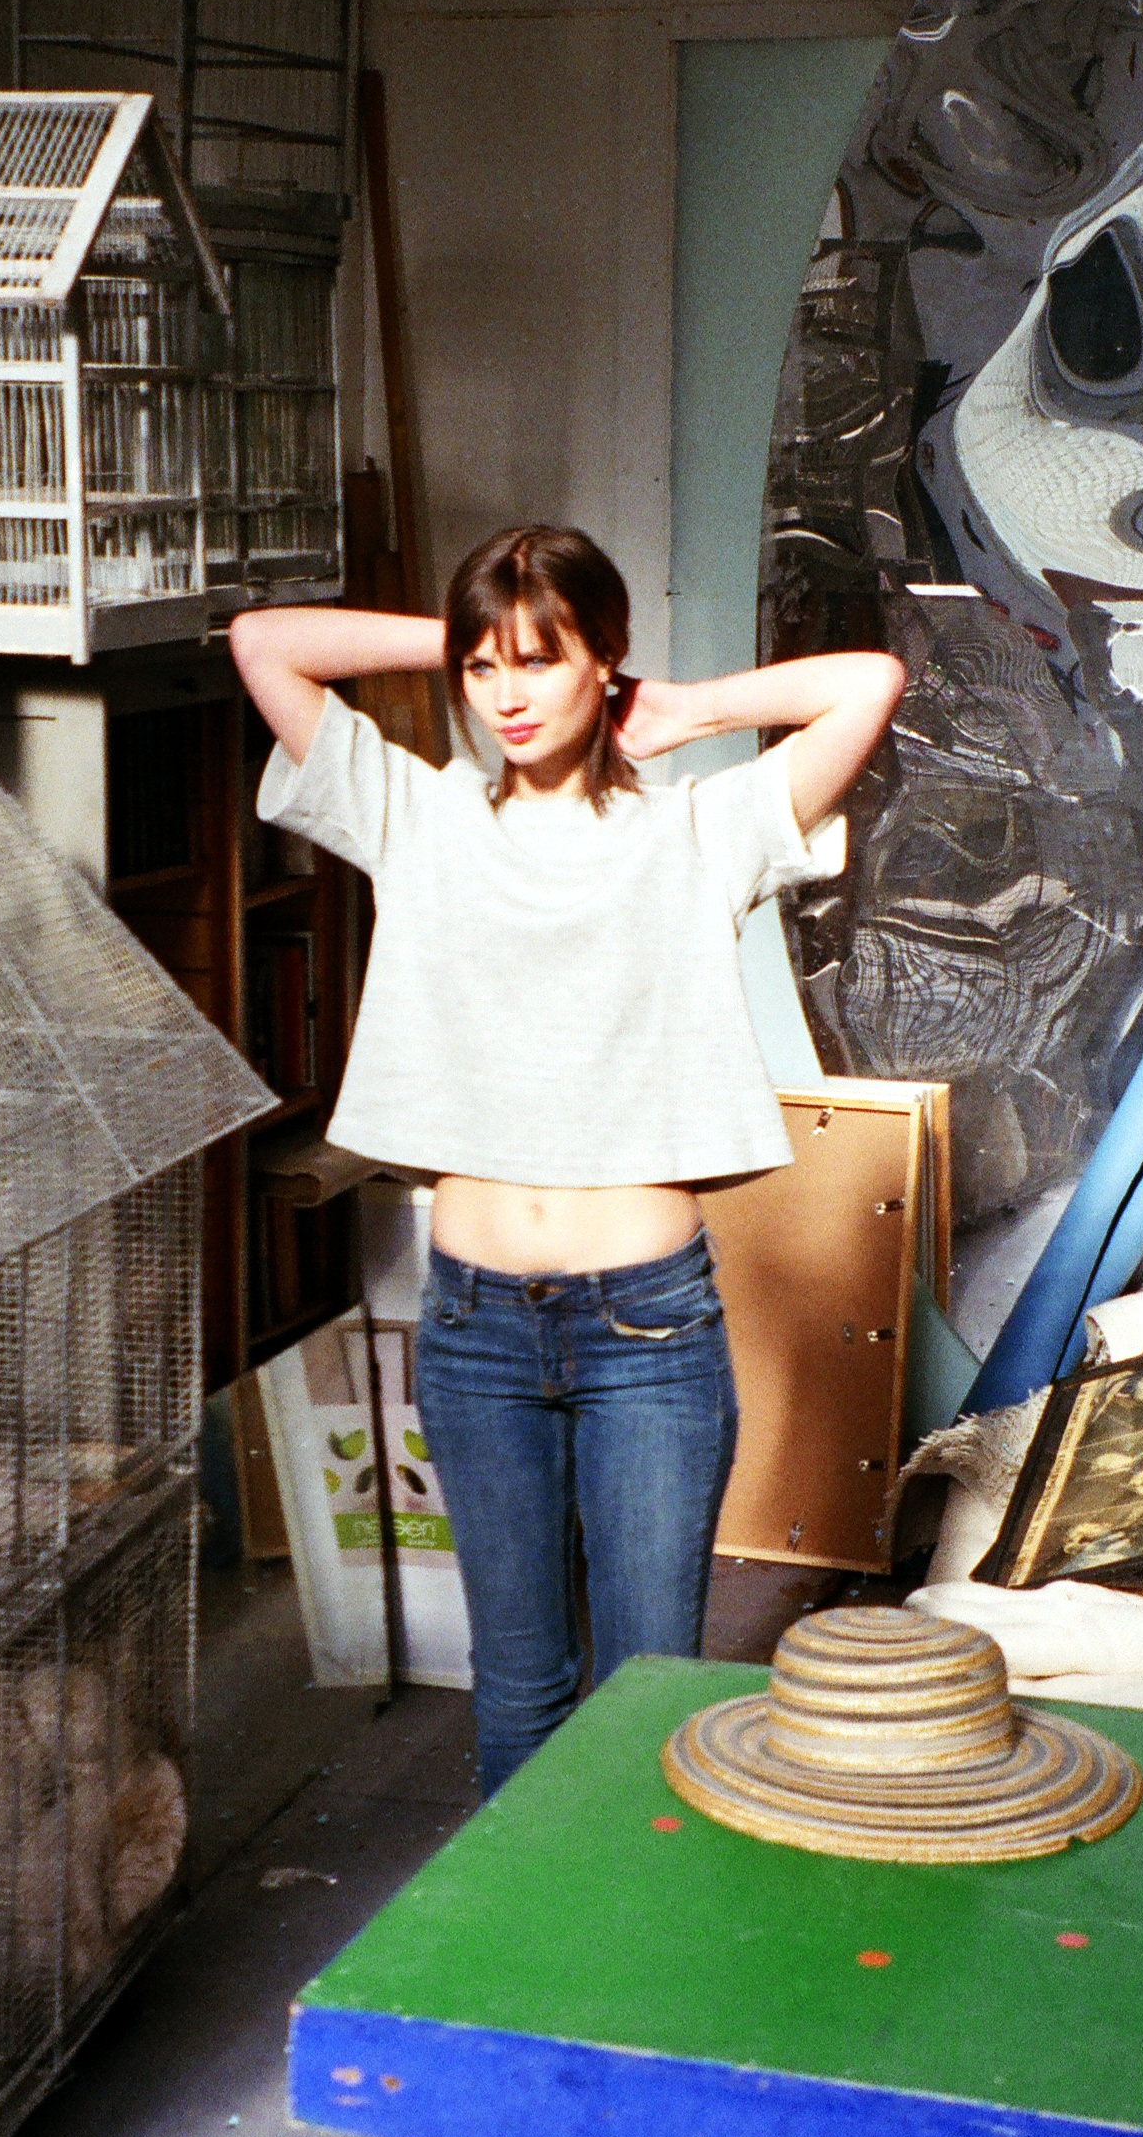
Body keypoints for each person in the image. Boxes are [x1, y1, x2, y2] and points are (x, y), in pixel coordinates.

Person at [230, 523, 903, 1799]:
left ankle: (634, 1930)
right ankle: (522, 1936)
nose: (507, 694)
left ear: (605, 658)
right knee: (519, 1683)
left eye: (540, 660)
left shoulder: (699, 830)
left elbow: (868, 682)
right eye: (485, 669)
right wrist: (470, 631)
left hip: (646, 1329)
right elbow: (265, 642)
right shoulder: (415, 812)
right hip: (474, 1325)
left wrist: (688, 708)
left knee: (647, 1690)